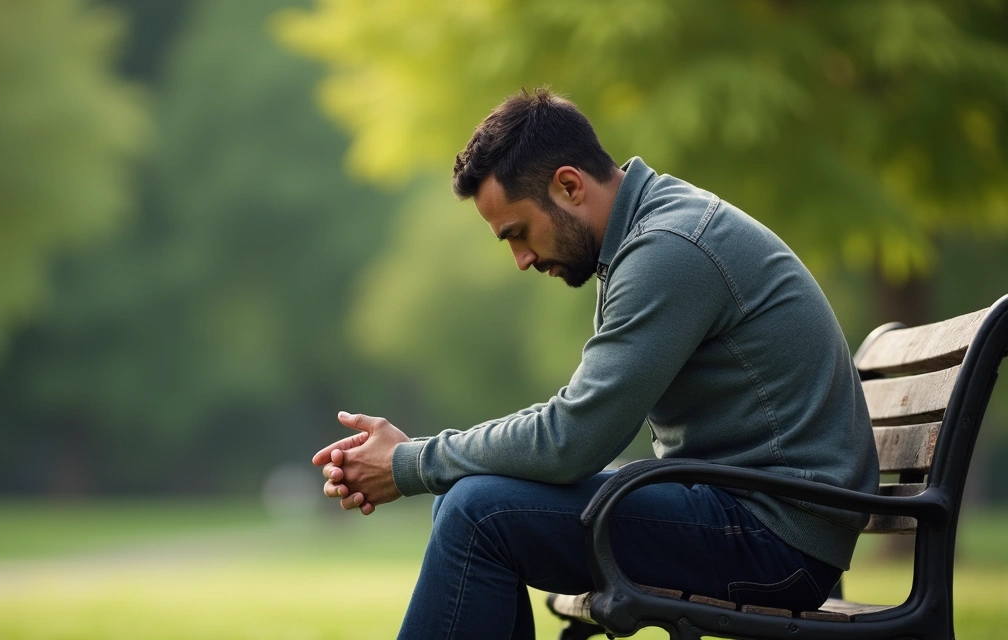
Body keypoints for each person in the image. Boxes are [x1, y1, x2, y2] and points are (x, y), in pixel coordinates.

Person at [312, 87, 879, 639]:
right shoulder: (650, 233)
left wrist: (413, 462)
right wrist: (424, 460)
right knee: (468, 501)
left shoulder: (670, 248)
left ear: (568, 186)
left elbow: (574, 440)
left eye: (518, 233)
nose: (521, 259)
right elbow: (575, 424)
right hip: (747, 515)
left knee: (477, 512)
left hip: (775, 541)